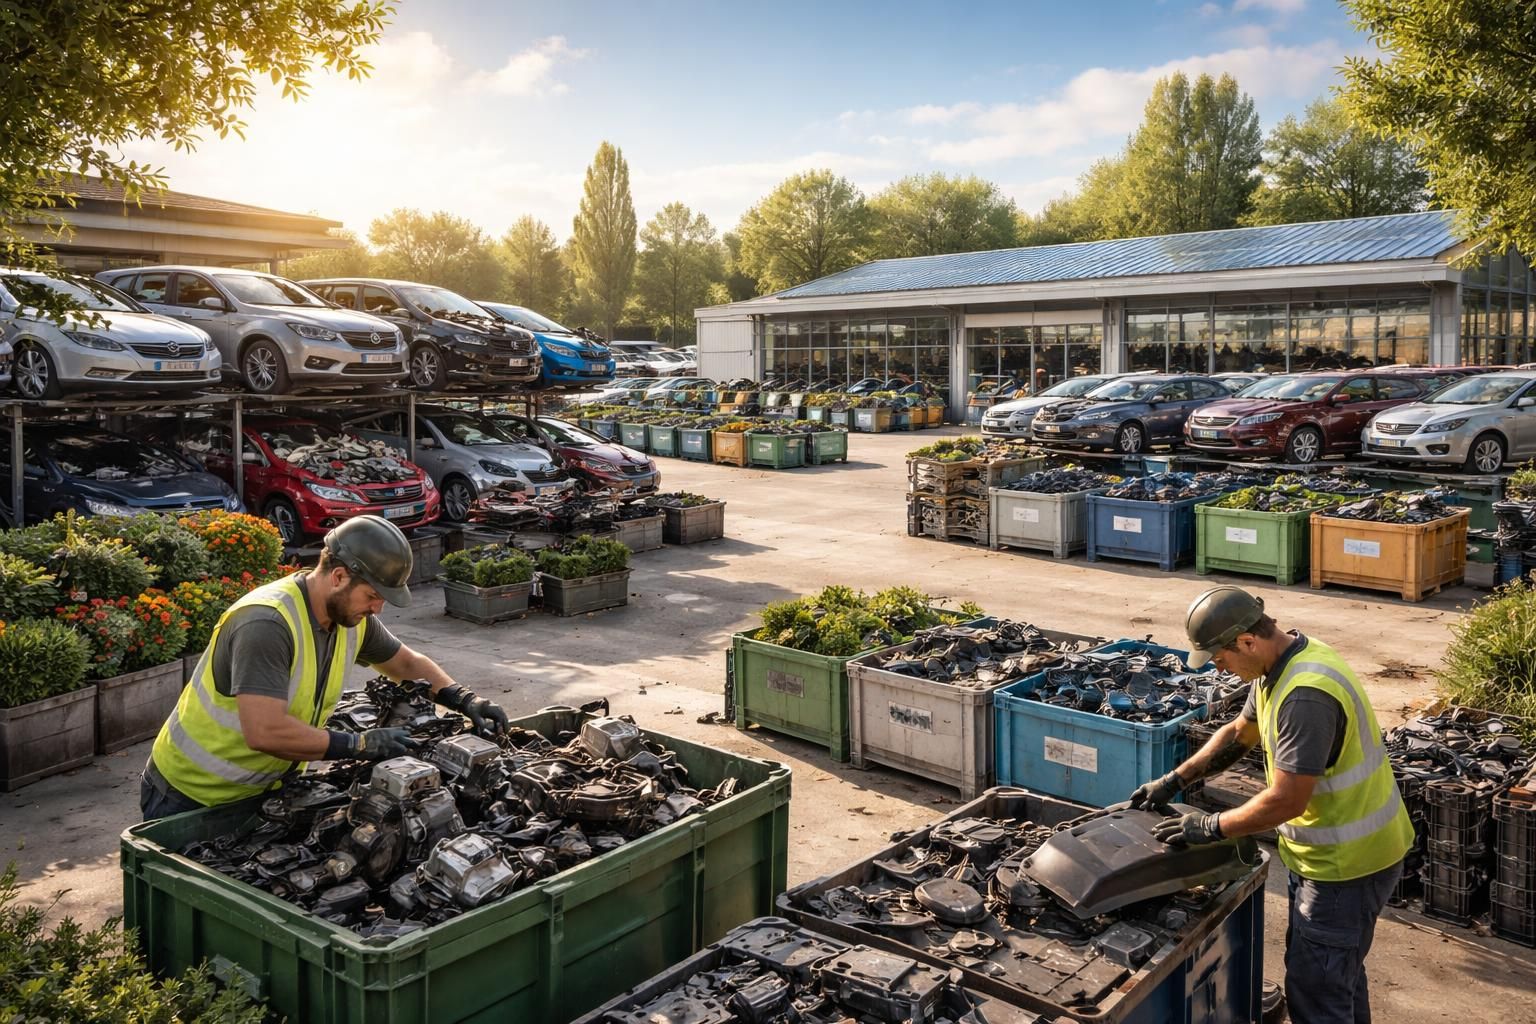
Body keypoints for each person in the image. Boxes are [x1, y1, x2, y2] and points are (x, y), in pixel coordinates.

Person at [1129, 586, 1412, 1024]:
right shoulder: (1278, 663)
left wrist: (1209, 827)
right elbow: (1240, 733)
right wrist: (1175, 780)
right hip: (1325, 855)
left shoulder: (1305, 695)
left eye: (1220, 658)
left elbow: (1287, 800)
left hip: (1348, 865)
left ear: (1247, 640)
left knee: (1316, 993)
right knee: (1338, 978)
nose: (1220, 669)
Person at [141, 515, 509, 820]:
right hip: (191, 796)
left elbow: (405, 663)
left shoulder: (349, 619)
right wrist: (359, 744)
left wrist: (463, 699)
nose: (377, 609)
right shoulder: (266, 625)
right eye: (373, 596)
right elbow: (265, 732)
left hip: (267, 789)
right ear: (338, 577)